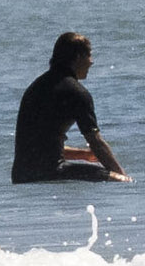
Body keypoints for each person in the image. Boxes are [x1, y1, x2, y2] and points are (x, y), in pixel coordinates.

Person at [12, 32, 127, 183]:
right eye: (89, 55)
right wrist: (122, 176)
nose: (91, 62)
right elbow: (96, 142)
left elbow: (39, 147)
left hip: (21, 175)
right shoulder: (76, 93)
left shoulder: (36, 87)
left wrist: (83, 155)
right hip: (51, 172)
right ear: (78, 57)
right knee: (118, 180)